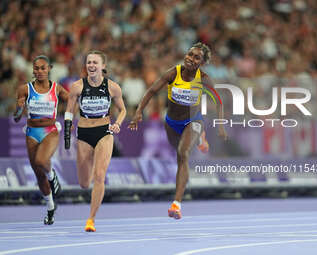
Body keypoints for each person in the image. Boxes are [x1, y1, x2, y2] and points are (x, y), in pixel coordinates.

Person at [128, 42, 227, 219]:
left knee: (183, 153)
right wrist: (138, 113)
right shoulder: (173, 73)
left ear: (202, 63)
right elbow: (151, 91)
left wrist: (220, 125)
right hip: (172, 122)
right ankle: (201, 139)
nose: (191, 58)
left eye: (196, 57)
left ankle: (176, 204)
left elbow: (219, 101)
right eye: (190, 54)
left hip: (193, 121)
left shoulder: (204, 79)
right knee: (180, 156)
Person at [64, 50, 126, 232]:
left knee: (99, 176)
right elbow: (69, 110)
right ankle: (89, 170)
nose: (91, 65)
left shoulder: (113, 87)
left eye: (95, 63)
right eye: (89, 62)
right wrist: (68, 127)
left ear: (103, 66)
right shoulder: (77, 87)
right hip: (83, 133)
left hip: (104, 132)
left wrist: (118, 124)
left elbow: (122, 110)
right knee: (84, 183)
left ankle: (91, 219)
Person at [13, 55, 69, 225]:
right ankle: (51, 207)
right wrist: (19, 108)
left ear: (49, 68)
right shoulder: (25, 89)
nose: (39, 71)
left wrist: (70, 118)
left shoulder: (57, 89)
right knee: (38, 174)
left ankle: (52, 176)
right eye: (36, 68)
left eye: (43, 68)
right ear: (33, 70)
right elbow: (16, 118)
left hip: (50, 130)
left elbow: (73, 101)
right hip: (31, 132)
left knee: (41, 160)